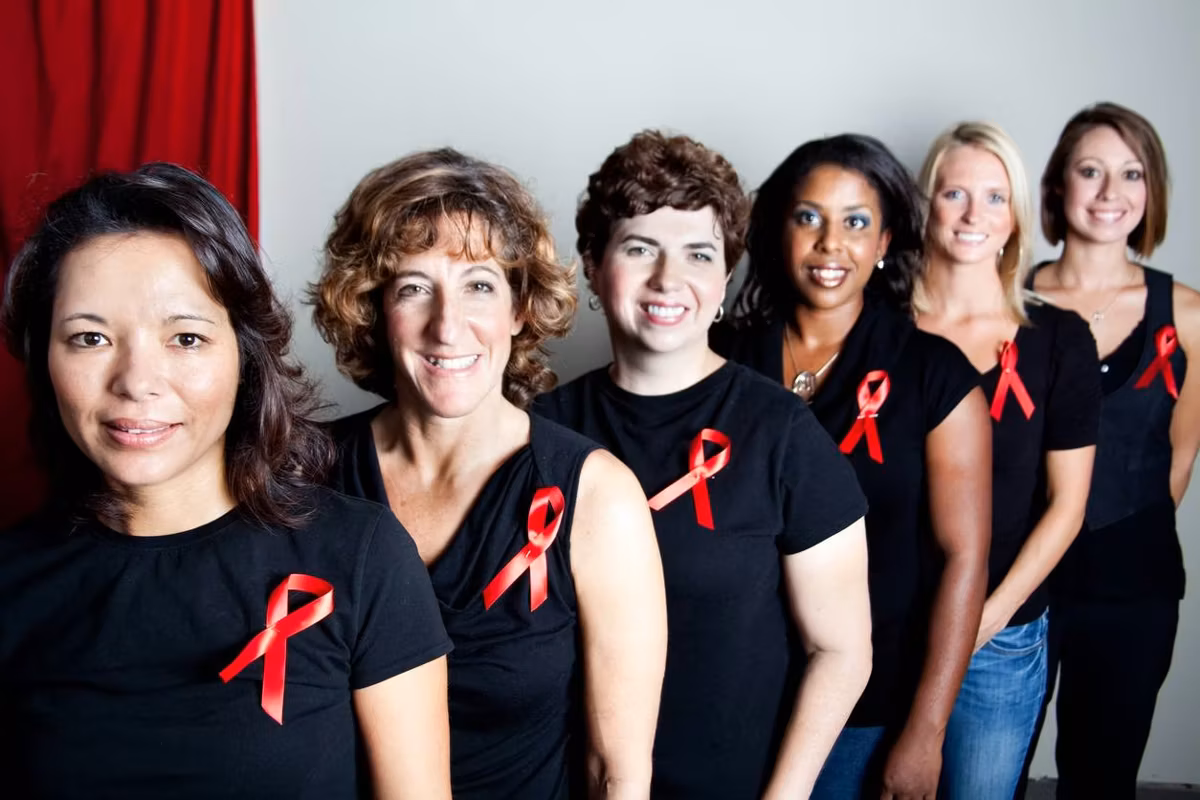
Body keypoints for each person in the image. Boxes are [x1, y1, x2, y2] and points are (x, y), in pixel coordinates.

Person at [0, 163, 452, 799]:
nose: (136, 382)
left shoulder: (360, 555)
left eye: (185, 338)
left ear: (245, 356)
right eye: (90, 337)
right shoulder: (12, 582)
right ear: (44, 357)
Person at [311, 148, 668, 800]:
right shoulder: (304, 473)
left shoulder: (598, 498)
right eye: (413, 288)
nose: (448, 327)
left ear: (520, 307)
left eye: (478, 285)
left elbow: (616, 773)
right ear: (374, 308)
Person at [535, 130, 873, 800]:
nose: (669, 278)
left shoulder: (782, 433)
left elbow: (841, 651)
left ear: (724, 280)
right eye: (640, 248)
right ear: (594, 266)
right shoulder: (539, 431)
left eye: (698, 253)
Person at [718, 133, 992, 800]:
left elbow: (964, 558)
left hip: (870, 706)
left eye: (856, 222)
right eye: (808, 217)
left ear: (885, 241)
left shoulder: (935, 373)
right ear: (779, 229)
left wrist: (926, 731)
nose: (830, 243)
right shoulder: (718, 354)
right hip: (731, 694)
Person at [910, 122, 1102, 799]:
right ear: (925, 205)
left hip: (1001, 636)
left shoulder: (1059, 340)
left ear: (1016, 215)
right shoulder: (878, 327)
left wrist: (985, 619)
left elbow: (1067, 506)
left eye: (994, 197)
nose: (974, 215)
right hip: (886, 628)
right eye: (954, 194)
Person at [1025, 102, 1199, 799]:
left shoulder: (1188, 314)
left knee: (1100, 782)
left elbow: (1180, 456)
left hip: (1132, 588)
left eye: (1131, 174)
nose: (1109, 193)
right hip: (1017, 583)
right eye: (1090, 171)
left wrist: (1116, 540)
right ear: (1058, 185)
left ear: (1151, 190)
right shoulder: (1010, 300)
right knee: (980, 778)